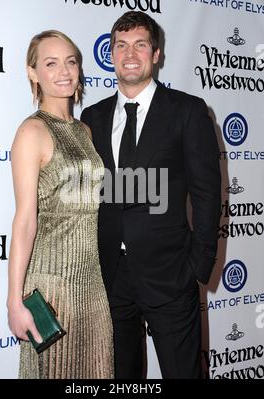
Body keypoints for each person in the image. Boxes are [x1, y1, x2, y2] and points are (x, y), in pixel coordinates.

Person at [81, 11, 221, 379]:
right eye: (122, 45)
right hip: (111, 278)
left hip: (171, 275)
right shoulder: (92, 117)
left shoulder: (187, 111)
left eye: (140, 45)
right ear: (110, 54)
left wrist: (196, 267)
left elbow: (208, 195)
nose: (130, 54)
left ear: (156, 54)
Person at [7, 30, 113, 379]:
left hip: (92, 286)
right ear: (32, 72)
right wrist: (14, 300)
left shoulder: (85, 131)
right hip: (54, 286)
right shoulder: (32, 132)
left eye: (71, 61)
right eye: (51, 63)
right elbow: (24, 221)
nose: (65, 71)